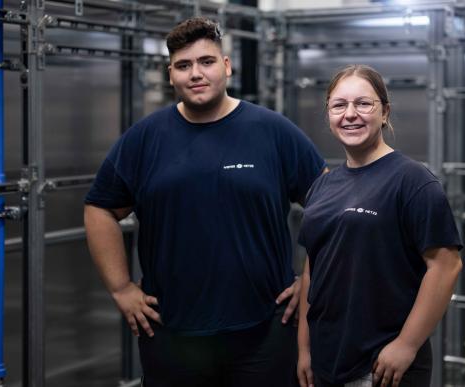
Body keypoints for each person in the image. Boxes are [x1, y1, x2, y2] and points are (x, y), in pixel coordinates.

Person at [84, 17, 325, 387]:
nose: (196, 73)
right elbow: (100, 208)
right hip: (171, 333)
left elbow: (330, 205)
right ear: (170, 75)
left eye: (206, 62)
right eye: (184, 65)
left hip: (264, 332)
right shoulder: (145, 139)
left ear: (226, 66)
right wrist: (121, 288)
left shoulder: (273, 131)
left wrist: (310, 281)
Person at [296, 65, 463, 387]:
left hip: (382, 365)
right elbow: (312, 270)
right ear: (328, 114)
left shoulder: (412, 180)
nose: (350, 114)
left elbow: (446, 266)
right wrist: (304, 348)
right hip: (326, 359)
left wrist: (406, 345)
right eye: (339, 105)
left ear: (384, 112)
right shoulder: (323, 185)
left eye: (363, 103)